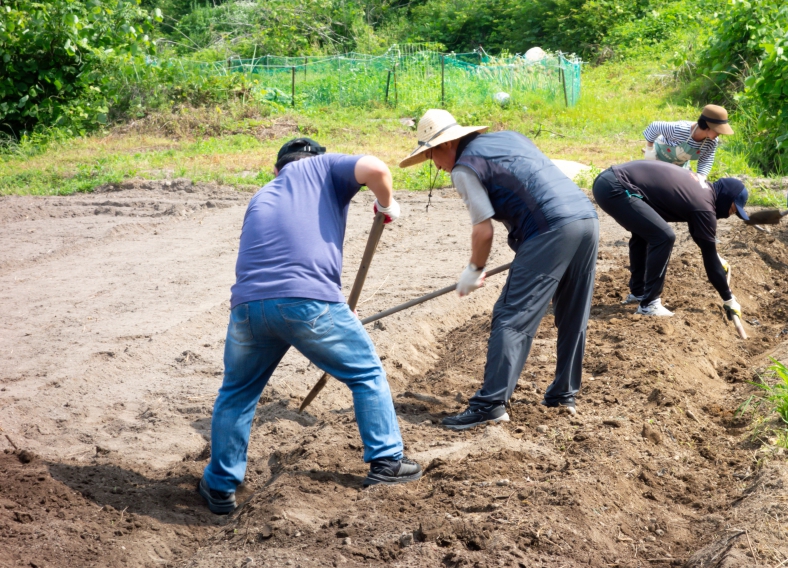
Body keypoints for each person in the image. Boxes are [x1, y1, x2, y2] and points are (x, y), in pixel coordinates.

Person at [198, 138, 421, 515]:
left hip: (249, 308)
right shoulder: (323, 167)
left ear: (276, 169)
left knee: (236, 393)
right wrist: (386, 204)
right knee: (366, 373)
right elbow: (377, 169)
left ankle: (219, 486)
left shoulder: (261, 195)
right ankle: (387, 461)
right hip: (307, 302)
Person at [399, 109, 600, 429]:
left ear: (446, 144)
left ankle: (490, 405)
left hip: (549, 228)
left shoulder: (464, 168)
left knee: (511, 316)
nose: (435, 165)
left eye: (431, 155)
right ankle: (564, 395)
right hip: (586, 219)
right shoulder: (509, 138)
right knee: (573, 312)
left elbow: (483, 231)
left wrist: (474, 269)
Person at [592, 160, 749, 319]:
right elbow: (709, 260)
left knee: (646, 233)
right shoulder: (704, 206)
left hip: (609, 180)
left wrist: (716, 257)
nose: (728, 215)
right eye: (732, 210)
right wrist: (728, 298)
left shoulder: (701, 191)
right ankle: (649, 304)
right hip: (616, 187)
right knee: (664, 237)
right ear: (726, 197)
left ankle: (638, 293)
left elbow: (700, 236)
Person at [642, 105, 734, 180]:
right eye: (718, 130)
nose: (719, 134)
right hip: (657, 158)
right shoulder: (680, 129)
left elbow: (706, 159)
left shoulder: (711, 142)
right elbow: (655, 126)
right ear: (707, 126)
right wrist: (650, 149)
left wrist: (701, 177)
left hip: (679, 165)